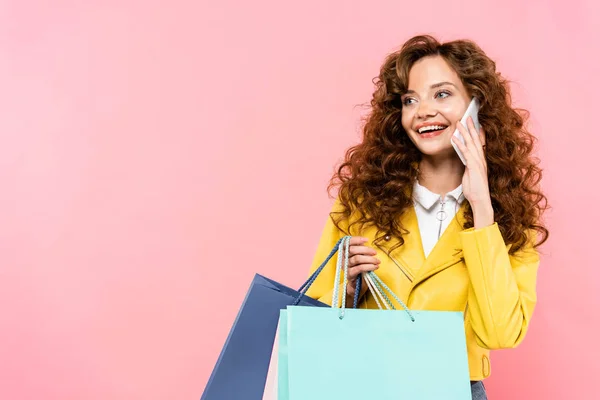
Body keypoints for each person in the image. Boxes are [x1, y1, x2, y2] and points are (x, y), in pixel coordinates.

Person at [305, 35, 549, 400]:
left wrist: (482, 207)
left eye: (442, 94)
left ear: (477, 107)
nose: (423, 111)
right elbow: (313, 316)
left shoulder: (510, 219)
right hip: (364, 384)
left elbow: (500, 332)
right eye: (410, 100)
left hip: (455, 389)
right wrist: (346, 291)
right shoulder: (361, 203)